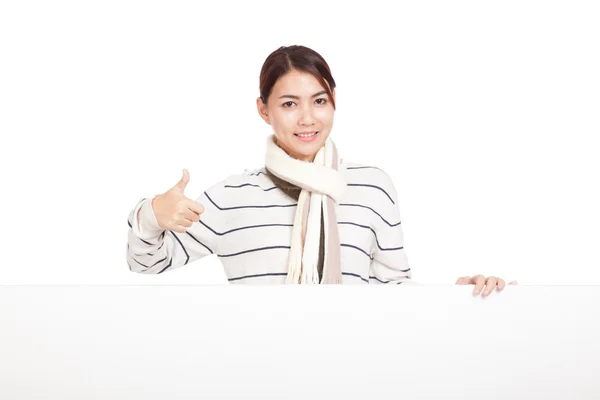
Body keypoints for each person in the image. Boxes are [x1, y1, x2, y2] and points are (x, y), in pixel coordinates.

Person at [126, 45, 517, 296]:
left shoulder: (371, 187)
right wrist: (152, 214)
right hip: (259, 376)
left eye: (319, 100)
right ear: (264, 110)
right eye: (289, 104)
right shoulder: (232, 197)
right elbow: (148, 263)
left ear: (334, 102)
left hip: (355, 375)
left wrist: (459, 297)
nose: (308, 119)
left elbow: (397, 295)